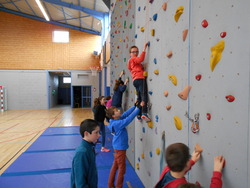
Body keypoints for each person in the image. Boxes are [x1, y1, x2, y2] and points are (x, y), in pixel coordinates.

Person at [106, 103, 141, 188]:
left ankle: (110, 184)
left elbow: (125, 114)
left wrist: (134, 106)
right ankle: (118, 186)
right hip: (120, 148)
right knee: (122, 169)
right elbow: (128, 119)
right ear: (114, 115)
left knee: (115, 166)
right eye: (116, 111)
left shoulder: (115, 121)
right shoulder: (117, 124)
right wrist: (138, 109)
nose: (119, 111)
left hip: (117, 147)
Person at [71, 119, 101, 188]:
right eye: (96, 132)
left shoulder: (90, 147)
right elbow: (80, 183)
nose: (99, 135)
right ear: (86, 133)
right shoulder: (82, 153)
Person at [127, 42, 151, 122]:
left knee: (139, 97)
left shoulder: (130, 62)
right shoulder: (133, 59)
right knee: (144, 95)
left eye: (137, 51)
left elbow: (133, 69)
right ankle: (144, 112)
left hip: (135, 80)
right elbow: (141, 59)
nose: (136, 53)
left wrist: (141, 67)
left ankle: (138, 114)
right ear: (130, 53)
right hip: (140, 79)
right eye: (133, 52)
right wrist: (144, 48)